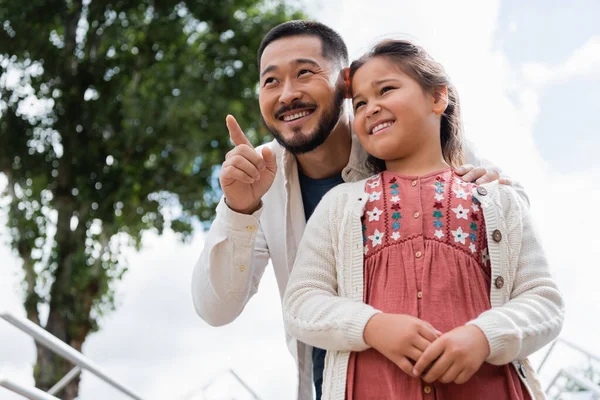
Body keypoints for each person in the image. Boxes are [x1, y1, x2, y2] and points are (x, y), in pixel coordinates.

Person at [192, 21, 528, 400]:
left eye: (305, 72)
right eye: (271, 81)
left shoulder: (408, 135)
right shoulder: (261, 181)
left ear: (346, 82)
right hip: (342, 385)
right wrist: (239, 208)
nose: (288, 93)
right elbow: (215, 309)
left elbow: (511, 216)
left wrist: (495, 187)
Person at [282, 39, 564, 400]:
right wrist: (373, 326)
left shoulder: (497, 199)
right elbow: (301, 302)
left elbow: (543, 300)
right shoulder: (340, 205)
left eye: (386, 90)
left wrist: (484, 336)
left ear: (437, 98)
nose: (371, 108)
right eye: (361, 103)